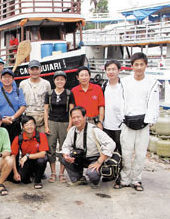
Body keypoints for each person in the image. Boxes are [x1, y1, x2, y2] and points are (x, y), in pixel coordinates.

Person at [117, 53, 159, 191]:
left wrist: (149, 120)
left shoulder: (152, 82)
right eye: (136, 64)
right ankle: (124, 179)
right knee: (126, 153)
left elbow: (153, 104)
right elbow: (121, 101)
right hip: (127, 121)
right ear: (132, 66)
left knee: (140, 154)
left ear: (146, 65)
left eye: (142, 64)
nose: (139, 67)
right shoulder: (124, 82)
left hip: (143, 122)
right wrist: (123, 118)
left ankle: (136, 180)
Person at [61, 106, 115, 188]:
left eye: (78, 117)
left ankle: (95, 181)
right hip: (80, 158)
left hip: (94, 158)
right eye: (73, 118)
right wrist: (66, 155)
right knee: (64, 159)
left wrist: (99, 162)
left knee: (92, 174)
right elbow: (66, 146)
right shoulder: (72, 131)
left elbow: (111, 144)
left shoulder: (94, 130)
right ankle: (79, 179)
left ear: (84, 117)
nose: (76, 120)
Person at [44, 71, 71, 183]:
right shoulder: (49, 94)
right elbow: (45, 110)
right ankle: (53, 172)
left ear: (65, 81)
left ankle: (61, 173)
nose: (60, 81)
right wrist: (46, 126)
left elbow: (71, 111)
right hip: (52, 122)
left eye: (62, 79)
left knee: (64, 147)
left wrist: (70, 125)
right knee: (51, 147)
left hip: (64, 123)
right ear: (54, 81)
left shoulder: (69, 93)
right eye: (57, 79)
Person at [10, 116, 49, 189]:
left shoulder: (41, 136)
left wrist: (27, 156)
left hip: (37, 159)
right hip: (26, 162)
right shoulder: (18, 138)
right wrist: (15, 172)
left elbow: (43, 153)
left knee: (42, 160)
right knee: (20, 180)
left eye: (31, 124)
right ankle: (32, 174)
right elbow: (13, 156)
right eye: (26, 125)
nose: (29, 127)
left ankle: (38, 180)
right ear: (23, 127)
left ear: (35, 125)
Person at [0, 68, 26, 143]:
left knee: (14, 148)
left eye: (9, 77)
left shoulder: (18, 91)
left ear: (13, 79)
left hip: (15, 124)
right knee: (1, 148)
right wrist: (1, 120)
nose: (7, 79)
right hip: (0, 125)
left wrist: (13, 117)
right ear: (1, 79)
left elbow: (23, 107)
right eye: (4, 77)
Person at [19, 60, 51, 133]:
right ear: (28, 70)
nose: (34, 71)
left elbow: (48, 102)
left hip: (42, 118)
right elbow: (20, 102)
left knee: (43, 141)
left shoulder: (46, 84)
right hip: (28, 118)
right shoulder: (23, 84)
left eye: (37, 69)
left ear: (40, 69)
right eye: (32, 69)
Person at [69, 66, 104, 130]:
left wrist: (100, 122)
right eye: (81, 75)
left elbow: (101, 107)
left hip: (94, 121)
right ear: (78, 77)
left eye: (86, 75)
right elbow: (72, 109)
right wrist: (71, 125)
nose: (84, 78)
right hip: (79, 122)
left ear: (90, 76)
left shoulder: (97, 88)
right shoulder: (74, 91)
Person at [101, 60, 123, 154]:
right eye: (108, 69)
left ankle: (123, 167)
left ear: (119, 70)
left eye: (113, 69)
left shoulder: (123, 86)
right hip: (107, 125)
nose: (111, 72)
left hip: (121, 125)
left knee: (122, 150)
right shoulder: (104, 86)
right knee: (108, 151)